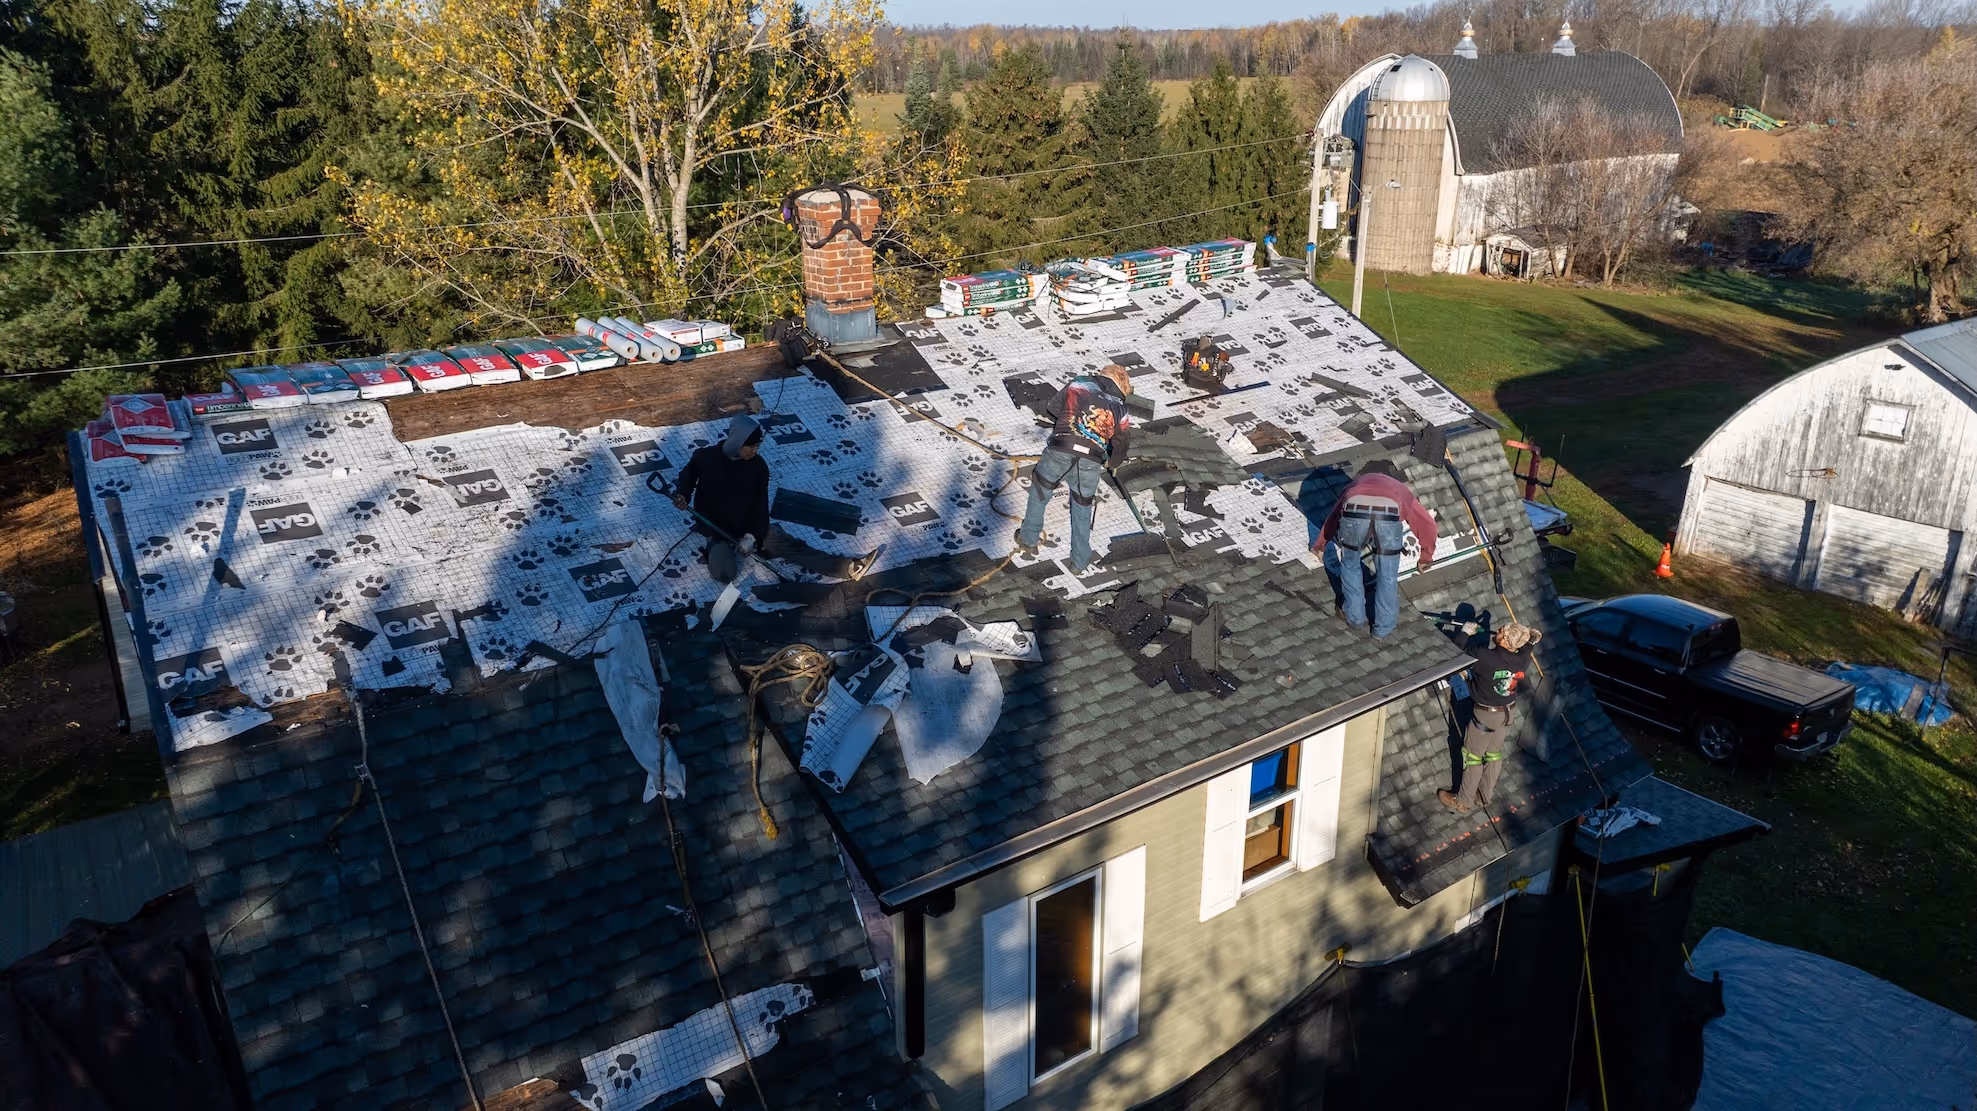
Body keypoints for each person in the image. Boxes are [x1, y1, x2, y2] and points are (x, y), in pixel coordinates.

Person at [672, 413, 874, 583]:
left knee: (784, 542)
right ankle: (718, 549)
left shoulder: (758, 467)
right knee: (724, 574)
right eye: (750, 446)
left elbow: (760, 506)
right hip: (715, 528)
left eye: (757, 446)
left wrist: (752, 536)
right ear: (737, 441)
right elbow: (687, 476)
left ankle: (845, 568)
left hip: (747, 526)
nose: (755, 451)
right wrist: (683, 494)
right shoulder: (705, 457)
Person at [1015, 364, 1134, 573]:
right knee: (1082, 508)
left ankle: (1028, 539)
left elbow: (1053, 407)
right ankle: (1080, 562)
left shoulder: (1079, 383)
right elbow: (1121, 443)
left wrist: (1068, 418)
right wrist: (1112, 463)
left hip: (1061, 448)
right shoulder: (1120, 408)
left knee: (1040, 493)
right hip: (1091, 461)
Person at [1313, 459, 1437, 638]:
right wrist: (1426, 556)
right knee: (1387, 576)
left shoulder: (1355, 484)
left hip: (1354, 509)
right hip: (1387, 514)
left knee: (1350, 564)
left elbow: (1333, 517)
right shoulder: (1399, 488)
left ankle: (1354, 618)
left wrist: (1320, 545)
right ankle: (1382, 629)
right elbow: (1427, 524)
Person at [1439, 620, 1540, 813]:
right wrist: (1531, 637)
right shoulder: (1524, 658)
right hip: (1507, 712)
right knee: (1493, 754)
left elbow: (1453, 653)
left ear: (1503, 640)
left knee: (1472, 757)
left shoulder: (1484, 657)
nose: (1498, 630)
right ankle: (1484, 796)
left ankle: (1463, 801)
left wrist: (1465, 632)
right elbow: (1530, 643)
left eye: (1501, 630)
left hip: (1485, 716)